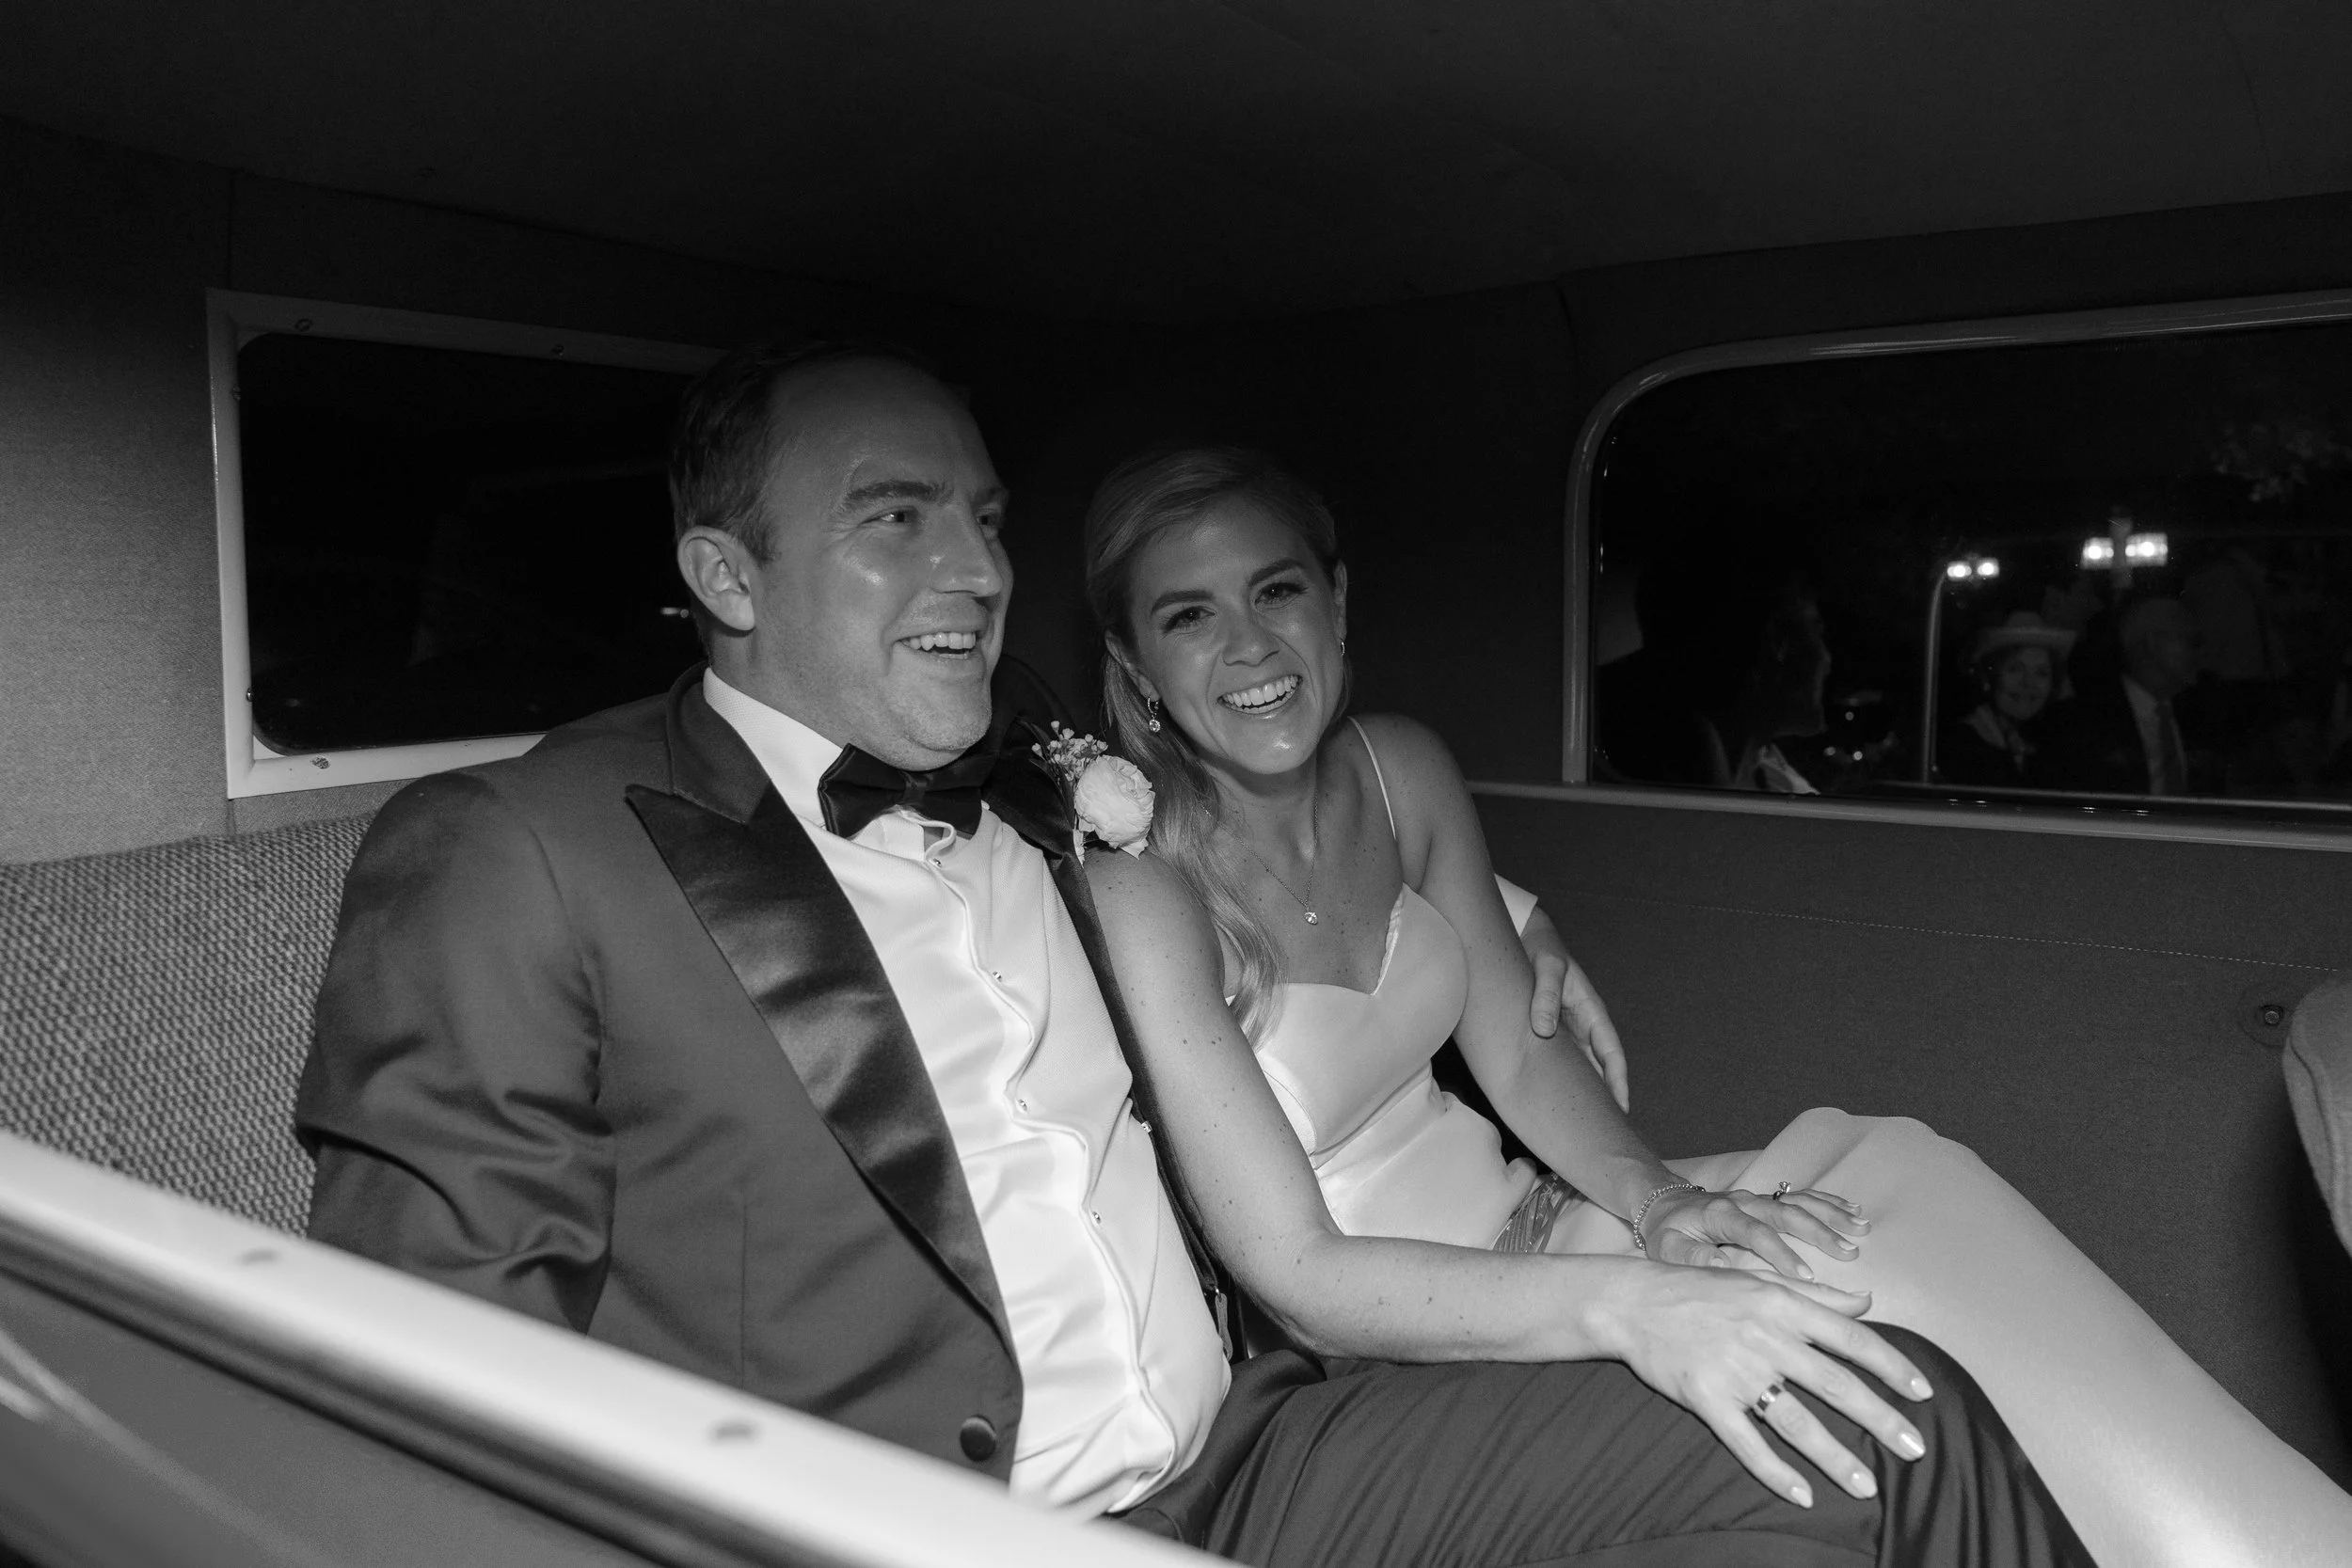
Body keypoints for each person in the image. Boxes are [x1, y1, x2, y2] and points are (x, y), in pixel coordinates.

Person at [299, 341, 2090, 1567]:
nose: (974, 566)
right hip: (943, 1527)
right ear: (728, 572)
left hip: (1254, 1456)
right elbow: (425, 1381)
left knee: (1879, 1418)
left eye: (987, 519)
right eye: (894, 515)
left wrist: (1529, 950)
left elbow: (1359, 899)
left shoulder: (1053, 799)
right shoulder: (520, 848)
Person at [1076, 445, 2352, 1568]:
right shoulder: (1145, 884)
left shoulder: (1399, 769)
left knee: (1903, 1175)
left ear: (1337, 600)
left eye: (1277, 588)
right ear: (1135, 662)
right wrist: (1636, 1286)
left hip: (1539, 1213)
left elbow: (1522, 1063)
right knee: (1856, 1319)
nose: (1249, 644)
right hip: (1397, 1326)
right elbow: (1302, 1282)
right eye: (1190, 616)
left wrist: (1659, 1199)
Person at [1594, 531, 1829, 793]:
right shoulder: (1684, 755)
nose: (1827, 659)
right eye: (1817, 631)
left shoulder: (1766, 765)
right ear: (1776, 643)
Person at [2040, 597, 2202, 796]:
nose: (2200, 652)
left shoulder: (2201, 712)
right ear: (2153, 643)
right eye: (2192, 641)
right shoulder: (2084, 721)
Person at [1936, 612, 2071, 788]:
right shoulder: (1962, 747)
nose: (2029, 683)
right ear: (1990, 675)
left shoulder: (2047, 745)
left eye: (2041, 673)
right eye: (2015, 669)